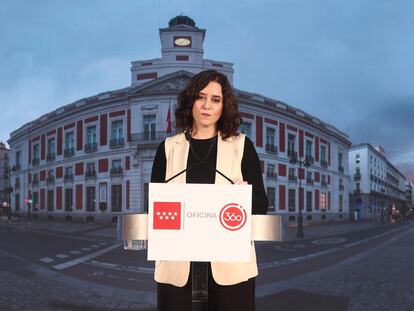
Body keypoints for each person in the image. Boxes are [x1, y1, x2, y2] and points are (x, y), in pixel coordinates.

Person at [150, 69, 268, 311]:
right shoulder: (168, 148)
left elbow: (261, 205)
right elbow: (154, 208)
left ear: (224, 106)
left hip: (229, 266)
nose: (206, 106)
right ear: (190, 101)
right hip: (178, 264)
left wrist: (245, 196)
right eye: (200, 97)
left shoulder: (242, 146)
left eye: (215, 99)